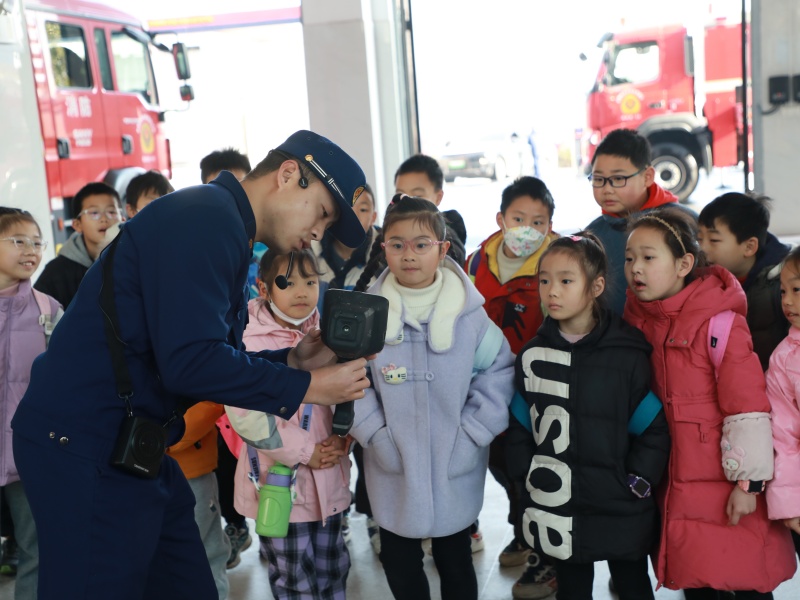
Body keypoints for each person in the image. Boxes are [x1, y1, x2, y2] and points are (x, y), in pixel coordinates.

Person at [12, 130, 373, 600]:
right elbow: (190, 364)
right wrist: (307, 386)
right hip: (84, 442)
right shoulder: (204, 219)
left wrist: (292, 358)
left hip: (134, 443)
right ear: (289, 176)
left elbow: (201, 354)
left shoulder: (223, 225)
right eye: (323, 213)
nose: (319, 233)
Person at [622, 206, 796, 598]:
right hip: (674, 482)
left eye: (649, 258)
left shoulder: (719, 323)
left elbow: (747, 407)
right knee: (696, 578)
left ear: (684, 263)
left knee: (746, 576)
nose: (636, 269)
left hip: (727, 480)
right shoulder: (635, 322)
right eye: (630, 258)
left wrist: (749, 485)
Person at [350, 195, 515, 600]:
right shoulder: (367, 314)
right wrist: (375, 434)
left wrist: (473, 434)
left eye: (421, 244)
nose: (409, 255)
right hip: (391, 464)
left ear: (442, 250)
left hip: (454, 463)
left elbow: (499, 373)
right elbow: (350, 379)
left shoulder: (469, 316)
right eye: (397, 244)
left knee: (456, 559)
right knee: (399, 560)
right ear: (383, 246)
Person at [507, 232, 669, 600]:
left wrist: (639, 480)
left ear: (596, 286)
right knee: (573, 588)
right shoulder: (533, 355)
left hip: (619, 502)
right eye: (544, 280)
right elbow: (520, 422)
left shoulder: (627, 353)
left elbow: (652, 427)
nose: (552, 291)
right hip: (559, 502)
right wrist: (523, 475)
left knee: (631, 583)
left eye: (566, 281)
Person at [228, 249, 351, 599]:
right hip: (277, 484)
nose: (302, 292)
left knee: (334, 567)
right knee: (292, 576)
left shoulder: (331, 334)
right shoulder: (247, 341)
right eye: (289, 282)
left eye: (310, 281)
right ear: (263, 289)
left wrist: (344, 439)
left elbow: (351, 393)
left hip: (330, 477)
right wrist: (306, 451)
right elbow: (246, 415)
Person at [465, 175, 560, 599]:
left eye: (538, 222)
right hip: (485, 387)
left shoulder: (560, 262)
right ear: (500, 218)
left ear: (551, 224)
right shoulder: (473, 264)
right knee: (501, 465)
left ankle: (545, 556)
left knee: (536, 470)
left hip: (540, 388)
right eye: (519, 218)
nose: (527, 229)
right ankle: (522, 532)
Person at [198, 147, 258, 567]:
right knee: (222, 453)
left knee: (250, 446)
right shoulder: (200, 246)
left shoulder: (264, 251)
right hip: (212, 376)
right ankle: (234, 521)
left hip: (248, 369)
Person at [0, 208, 62, 599]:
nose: (31, 250)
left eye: (36, 241)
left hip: (28, 452)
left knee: (36, 549)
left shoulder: (49, 311)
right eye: (18, 240)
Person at [585, 128, 682, 315]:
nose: (607, 189)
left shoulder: (681, 224)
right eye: (599, 179)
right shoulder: (592, 236)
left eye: (618, 178)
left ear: (647, 177)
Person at [697, 192, 790, 371]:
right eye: (699, 239)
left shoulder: (782, 284)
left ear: (749, 247)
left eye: (714, 240)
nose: (703, 248)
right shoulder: (702, 280)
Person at [34, 182, 122, 308]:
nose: (104, 219)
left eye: (111, 212)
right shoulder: (57, 272)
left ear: (122, 219)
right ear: (77, 225)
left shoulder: (131, 259)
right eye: (94, 213)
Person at [765, 246, 800, 559]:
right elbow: (784, 438)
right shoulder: (784, 359)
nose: (787, 301)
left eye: (797, 289)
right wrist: (790, 503)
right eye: (783, 291)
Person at [394, 154, 467, 263]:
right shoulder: (391, 235)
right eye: (401, 196)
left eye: (417, 196)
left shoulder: (448, 243)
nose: (407, 203)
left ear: (438, 198)